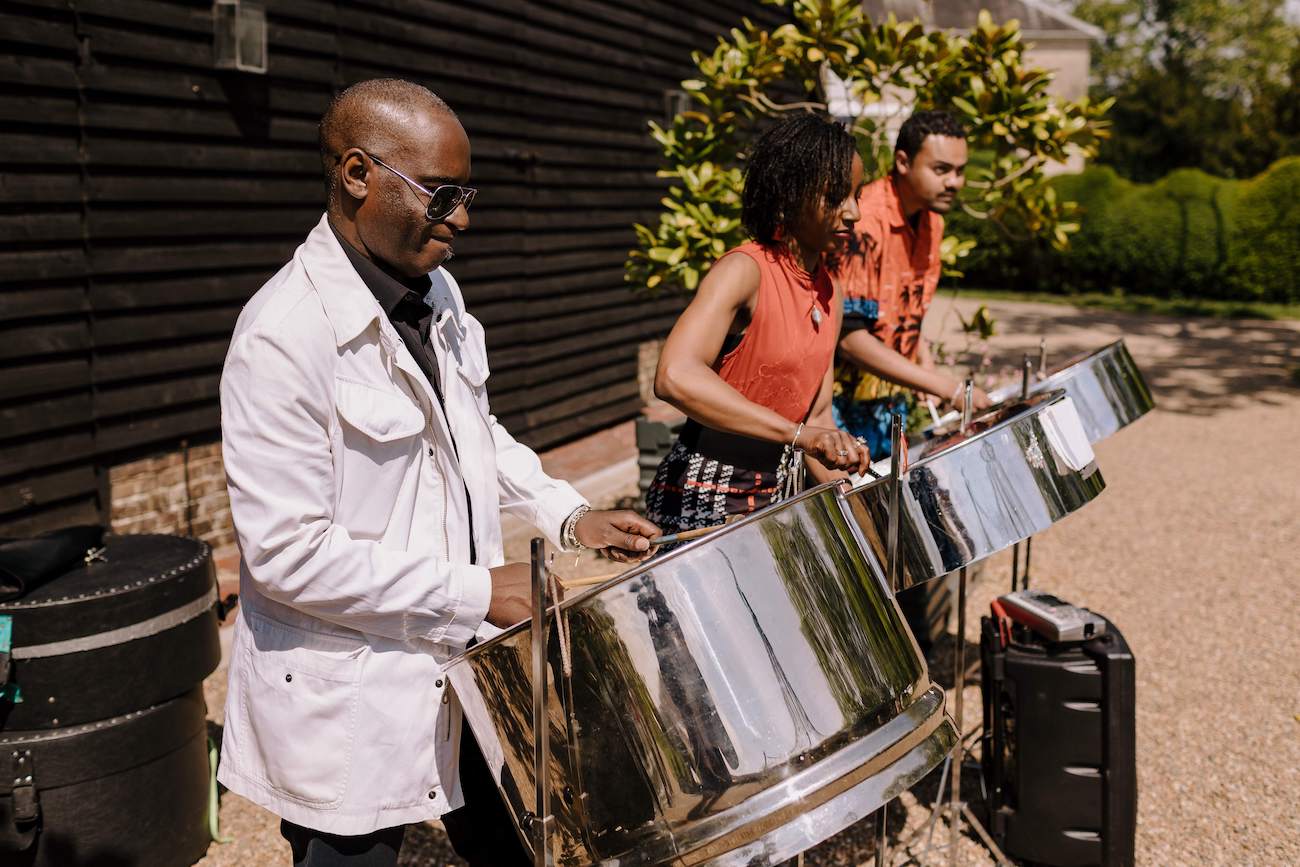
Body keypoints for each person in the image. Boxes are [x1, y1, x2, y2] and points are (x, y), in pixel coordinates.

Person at [216, 78, 659, 867]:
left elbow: (471, 431)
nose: (463, 218)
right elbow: (286, 555)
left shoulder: (437, 291)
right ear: (358, 174)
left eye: (468, 191)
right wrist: (479, 592)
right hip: (347, 701)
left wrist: (565, 512)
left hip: (459, 665)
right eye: (442, 193)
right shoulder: (280, 338)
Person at [645, 113, 872, 535]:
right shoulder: (744, 270)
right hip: (706, 491)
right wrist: (798, 434)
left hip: (781, 491)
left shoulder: (830, 290)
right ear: (790, 194)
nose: (854, 212)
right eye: (837, 195)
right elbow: (675, 375)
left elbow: (817, 412)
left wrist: (859, 493)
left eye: (857, 194)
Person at [830, 110, 991, 458]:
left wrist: (925, 365)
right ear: (903, 162)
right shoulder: (864, 221)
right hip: (836, 412)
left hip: (889, 404)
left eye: (960, 171)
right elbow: (849, 338)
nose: (955, 182)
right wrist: (944, 386)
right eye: (942, 170)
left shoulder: (932, 221)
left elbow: (906, 310)